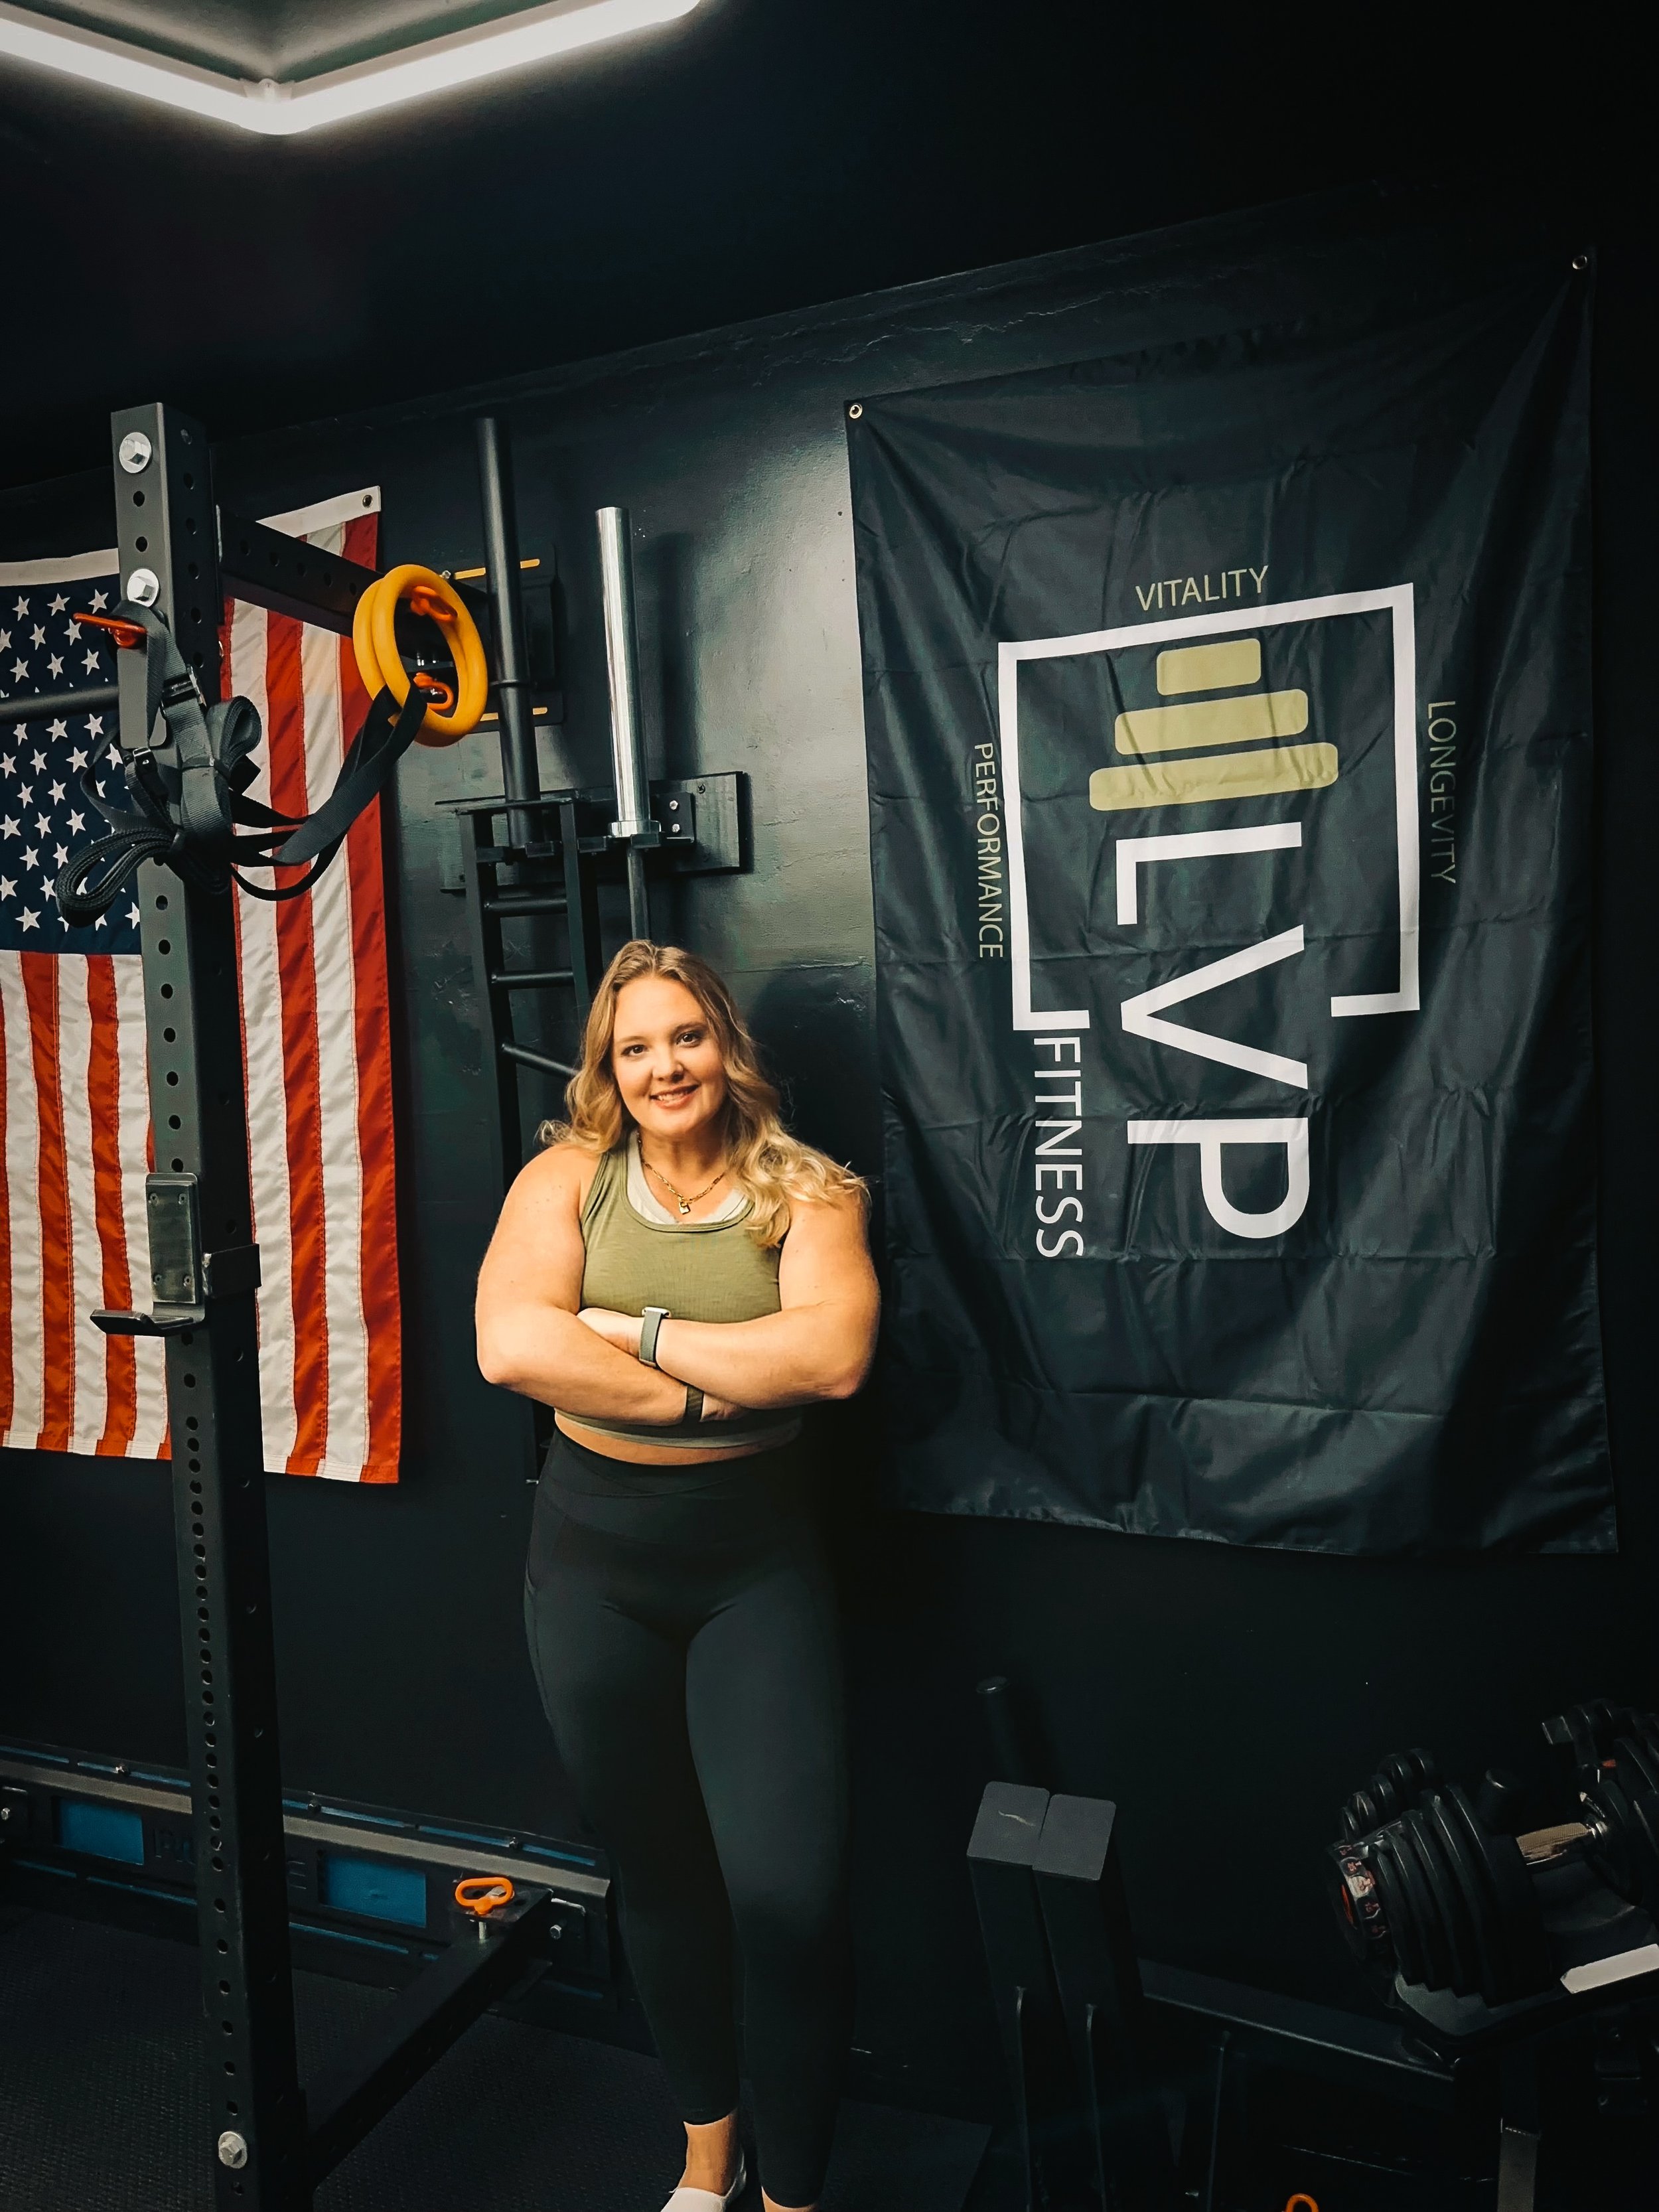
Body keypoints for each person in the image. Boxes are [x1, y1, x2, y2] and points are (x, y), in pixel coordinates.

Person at [475, 940, 880, 2212]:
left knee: (788, 1899)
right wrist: (718, 1376)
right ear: (609, 1065)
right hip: (593, 1565)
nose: (665, 1066)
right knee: (659, 1875)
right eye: (636, 1046)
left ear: (726, 1048)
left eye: (686, 1037)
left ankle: (793, 2195)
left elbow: (832, 1360)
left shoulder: (811, 1193)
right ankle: (709, 2166)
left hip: (752, 1565)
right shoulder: (566, 1179)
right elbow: (509, 1345)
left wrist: (634, 1336)